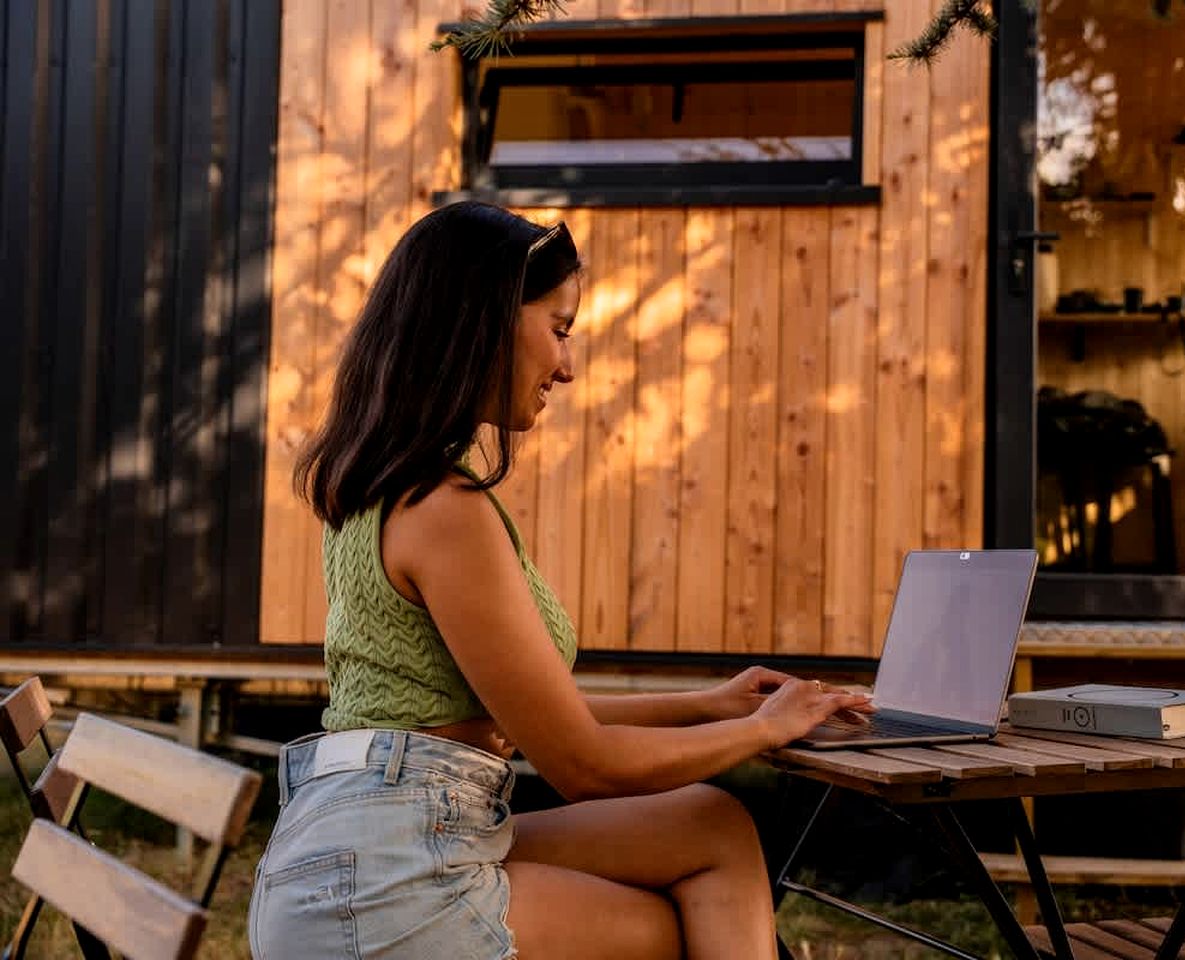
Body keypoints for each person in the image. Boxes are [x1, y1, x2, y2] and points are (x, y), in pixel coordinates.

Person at [247, 201, 873, 960]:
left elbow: (531, 712)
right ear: (479, 322)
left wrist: (706, 703)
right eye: (560, 329)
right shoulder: (443, 509)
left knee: (710, 825)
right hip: (382, 882)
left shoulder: (382, 485)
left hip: (359, 848)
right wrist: (762, 729)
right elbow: (581, 764)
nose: (569, 367)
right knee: (674, 932)